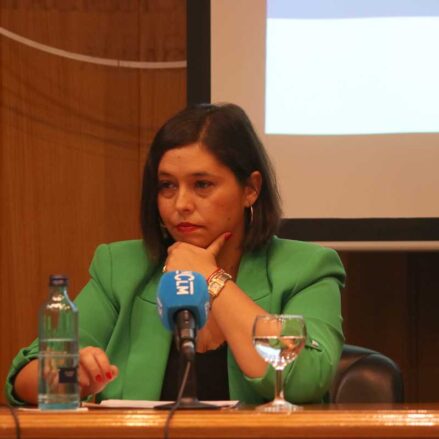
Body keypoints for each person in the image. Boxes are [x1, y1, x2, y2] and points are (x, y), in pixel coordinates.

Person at [5, 103, 345, 406]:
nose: (181, 204)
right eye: (167, 185)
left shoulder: (306, 268)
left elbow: (303, 381)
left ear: (250, 189)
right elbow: (25, 378)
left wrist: (211, 277)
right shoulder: (122, 269)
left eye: (202, 185)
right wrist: (71, 376)